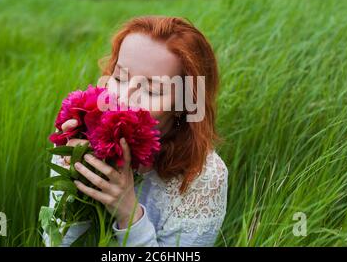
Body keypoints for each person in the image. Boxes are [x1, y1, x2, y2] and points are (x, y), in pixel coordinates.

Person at [44, 16, 228, 247]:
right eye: (119, 77)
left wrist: (128, 214)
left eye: (151, 91)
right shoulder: (77, 138)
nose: (124, 97)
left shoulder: (204, 176)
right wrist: (77, 177)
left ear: (184, 106)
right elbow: (57, 244)